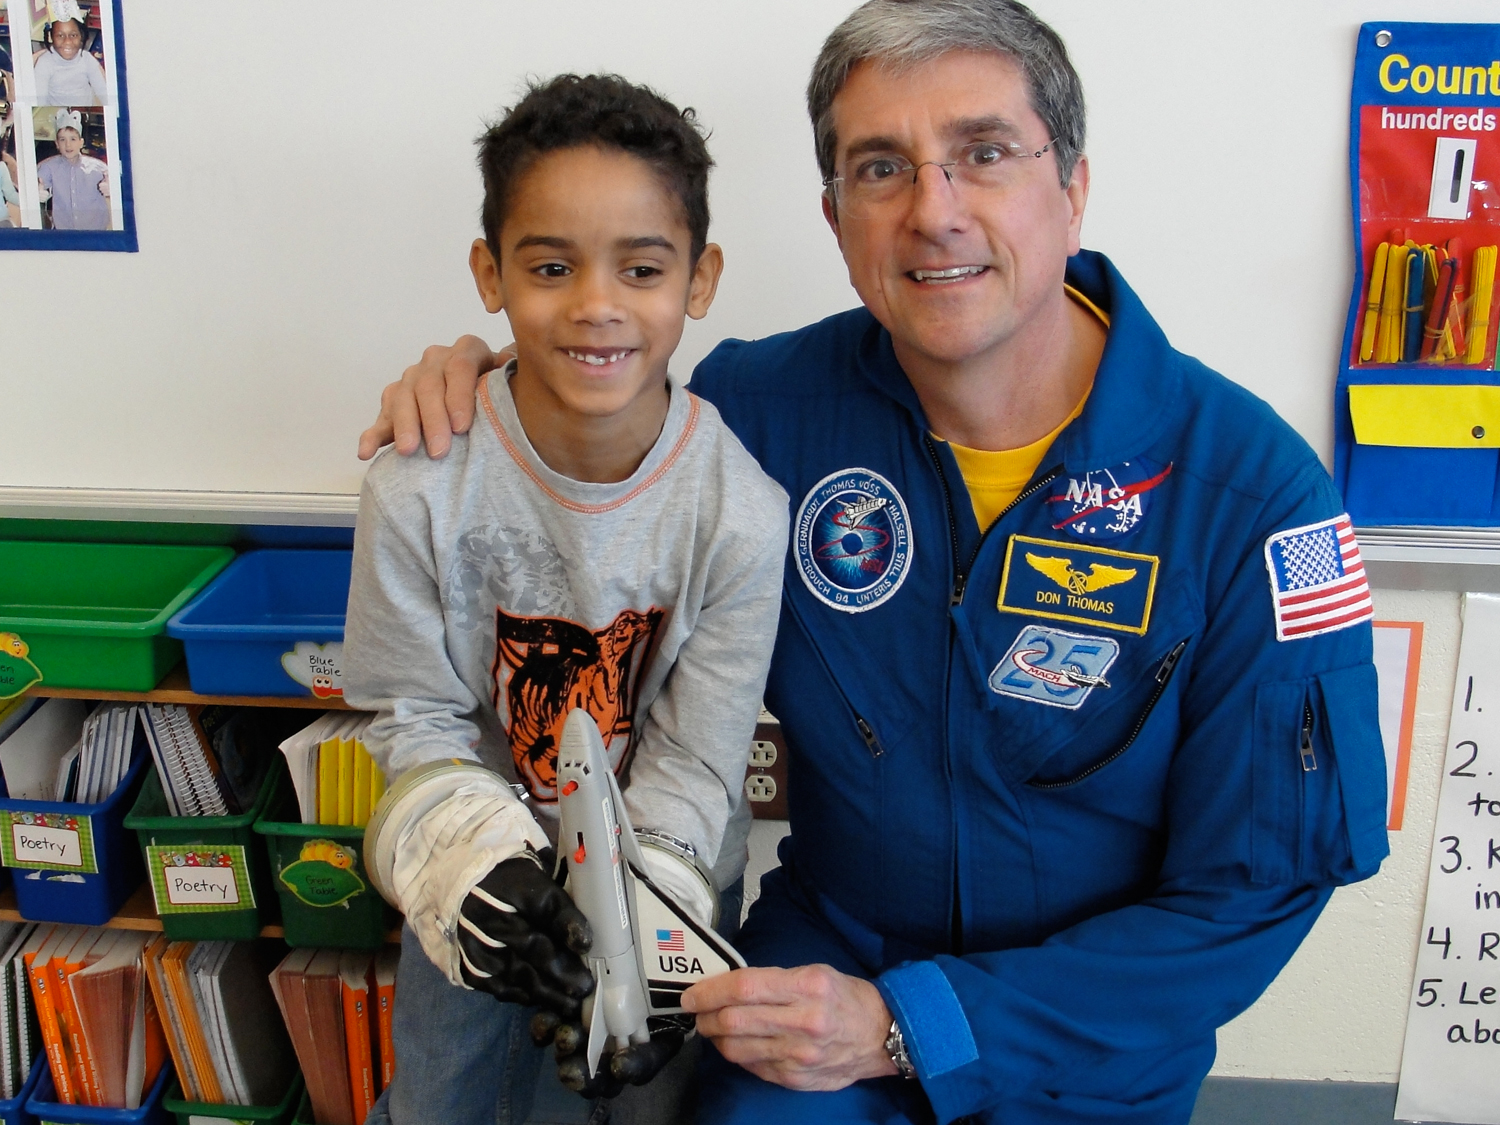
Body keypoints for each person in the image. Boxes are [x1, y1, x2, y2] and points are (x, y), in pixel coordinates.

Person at [360, 2, 1390, 1122]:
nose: (932, 213)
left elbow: (1255, 894)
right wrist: (472, 379)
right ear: (835, 215)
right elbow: (597, 377)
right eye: (880, 168)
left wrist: (919, 1027)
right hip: (819, 984)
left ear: (1075, 186)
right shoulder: (758, 414)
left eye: (984, 154)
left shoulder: (1255, 499)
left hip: (1082, 1040)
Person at [344, 73, 788, 1125]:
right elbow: (412, 715)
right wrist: (474, 874)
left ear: (701, 277)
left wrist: (645, 913)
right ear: (490, 274)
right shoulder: (416, 485)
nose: (596, 304)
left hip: (664, 891)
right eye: (551, 265)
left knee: (641, 1106)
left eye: (641, 267)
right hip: (475, 889)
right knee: (447, 1101)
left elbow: (696, 758)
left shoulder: (741, 516)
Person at [36, 108, 108, 230]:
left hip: (95, 233)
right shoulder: (49, 166)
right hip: (64, 234)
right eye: (62, 140)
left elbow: (117, 185)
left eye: (73, 139)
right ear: (57, 144)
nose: (68, 145)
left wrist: (111, 187)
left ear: (81, 142)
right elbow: (38, 182)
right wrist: (37, 191)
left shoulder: (98, 168)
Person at [32, 11, 106, 107]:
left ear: (81, 36)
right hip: (55, 116)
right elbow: (40, 102)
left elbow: (103, 92)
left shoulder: (87, 59)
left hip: (84, 113)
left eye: (73, 35)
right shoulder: (44, 63)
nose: (67, 41)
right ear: (51, 37)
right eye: (60, 35)